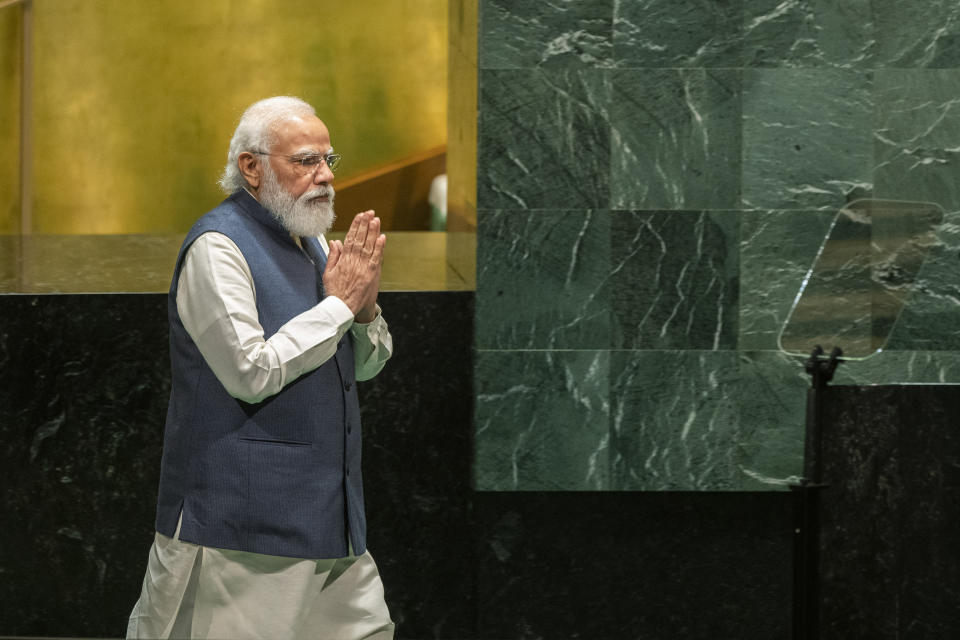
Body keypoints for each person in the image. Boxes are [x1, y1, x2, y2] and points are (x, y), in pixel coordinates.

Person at [127, 96, 395, 639]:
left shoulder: (314, 240)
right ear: (251, 167)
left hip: (331, 518)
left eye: (328, 160)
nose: (324, 176)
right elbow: (251, 372)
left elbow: (361, 370)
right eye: (304, 161)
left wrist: (363, 311)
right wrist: (339, 307)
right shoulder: (217, 247)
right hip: (242, 526)